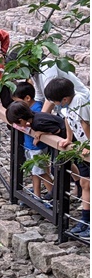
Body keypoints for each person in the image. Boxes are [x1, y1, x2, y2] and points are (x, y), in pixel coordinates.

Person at [44, 77, 90, 239]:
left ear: (64, 99)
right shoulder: (68, 105)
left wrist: (88, 144)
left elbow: (85, 123)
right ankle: (85, 220)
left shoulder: (79, 101)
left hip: (86, 148)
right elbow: (68, 120)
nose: (55, 105)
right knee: (85, 183)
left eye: (55, 102)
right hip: (80, 149)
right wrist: (69, 139)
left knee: (88, 183)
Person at [9, 83, 61, 200]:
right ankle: (37, 195)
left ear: (27, 98)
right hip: (30, 145)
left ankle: (54, 196)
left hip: (37, 147)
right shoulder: (27, 110)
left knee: (42, 171)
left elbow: (50, 128)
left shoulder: (36, 109)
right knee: (35, 171)